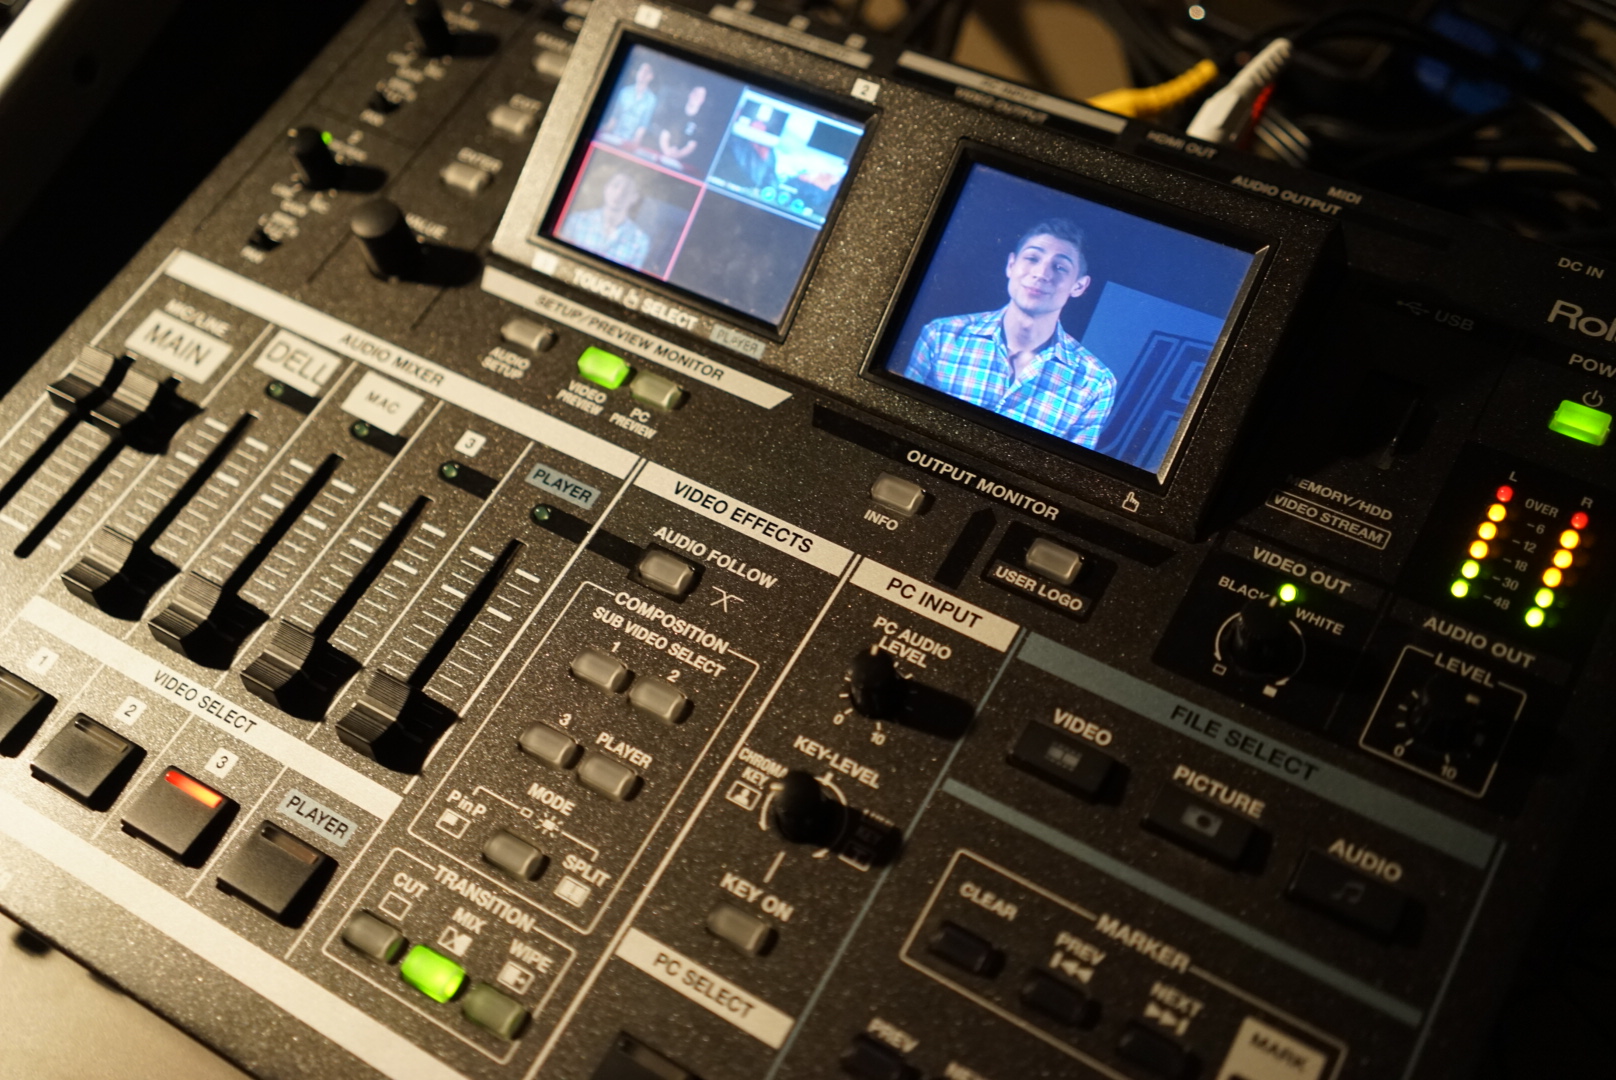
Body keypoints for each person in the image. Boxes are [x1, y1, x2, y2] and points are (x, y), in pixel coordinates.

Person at [904, 219, 1115, 448]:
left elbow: (1063, 473)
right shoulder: (941, 336)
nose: (1041, 273)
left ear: (1079, 286)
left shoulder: (1095, 382)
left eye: (1060, 267)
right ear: (1011, 265)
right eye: (1033, 258)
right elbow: (902, 427)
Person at [558, 167, 651, 270]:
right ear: (606, 188)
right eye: (615, 186)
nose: (619, 194)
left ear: (634, 197)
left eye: (626, 190)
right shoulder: (576, 221)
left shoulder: (640, 241)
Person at [602, 61, 658, 149]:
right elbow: (614, 117)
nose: (642, 74)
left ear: (651, 76)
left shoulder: (652, 100)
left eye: (646, 72)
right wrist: (604, 130)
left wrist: (634, 143)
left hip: (630, 143)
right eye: (641, 70)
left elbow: (644, 124)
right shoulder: (624, 92)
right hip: (614, 137)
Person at [656, 85, 710, 169]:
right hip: (664, 156)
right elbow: (664, 134)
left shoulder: (701, 123)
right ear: (690, 94)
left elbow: (691, 146)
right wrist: (667, 151)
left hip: (683, 165)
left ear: (702, 100)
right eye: (695, 93)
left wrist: (677, 155)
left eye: (700, 95)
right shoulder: (675, 112)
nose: (696, 96)